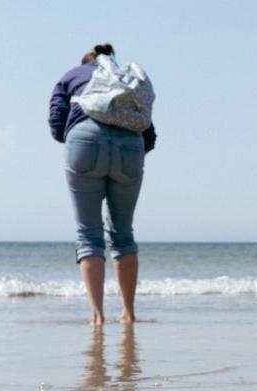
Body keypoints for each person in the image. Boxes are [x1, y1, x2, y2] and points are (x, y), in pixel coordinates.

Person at [49, 44, 157, 324]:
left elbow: (56, 122)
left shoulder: (71, 75)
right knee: (123, 233)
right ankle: (129, 314)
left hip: (84, 141)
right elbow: (149, 131)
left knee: (88, 233)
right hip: (130, 147)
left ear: (86, 62)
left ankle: (97, 316)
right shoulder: (127, 78)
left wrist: (80, 140)